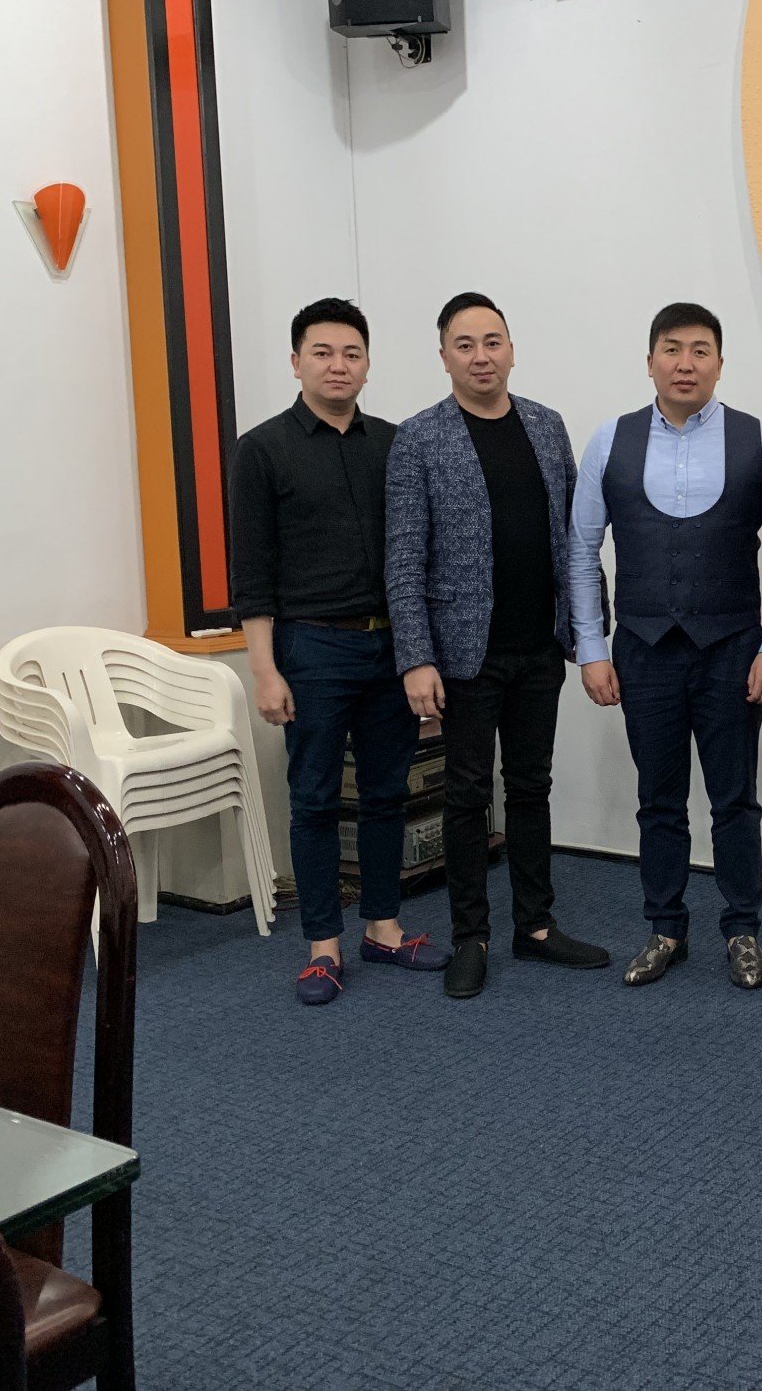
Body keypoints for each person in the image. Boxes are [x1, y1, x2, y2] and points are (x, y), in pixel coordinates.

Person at [386, 293, 611, 999]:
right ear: (444, 356)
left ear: (511, 349)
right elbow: (403, 559)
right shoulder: (418, 438)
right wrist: (416, 656)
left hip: (537, 643)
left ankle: (535, 926)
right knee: (465, 795)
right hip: (463, 653)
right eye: (465, 344)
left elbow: (573, 538)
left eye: (493, 341)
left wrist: (587, 632)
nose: (481, 356)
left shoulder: (545, 425)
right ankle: (470, 936)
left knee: (531, 787)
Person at [569, 302, 762, 991]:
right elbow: (580, 550)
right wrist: (591, 647)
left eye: (700, 350)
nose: (685, 363)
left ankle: (743, 928)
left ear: (720, 363)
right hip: (642, 648)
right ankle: (665, 927)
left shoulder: (760, 439)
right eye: (671, 349)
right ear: (650, 361)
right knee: (658, 799)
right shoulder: (610, 440)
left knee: (735, 799)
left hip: (733, 648)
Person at [230, 297, 439, 1006]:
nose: (338, 366)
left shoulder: (395, 444)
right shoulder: (262, 450)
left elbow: (418, 554)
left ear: (368, 365)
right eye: (322, 353)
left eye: (352, 354)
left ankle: (383, 928)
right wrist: (265, 669)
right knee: (315, 799)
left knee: (386, 793)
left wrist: (422, 653)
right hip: (311, 645)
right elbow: (252, 572)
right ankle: (323, 946)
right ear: (296, 363)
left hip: (391, 646)